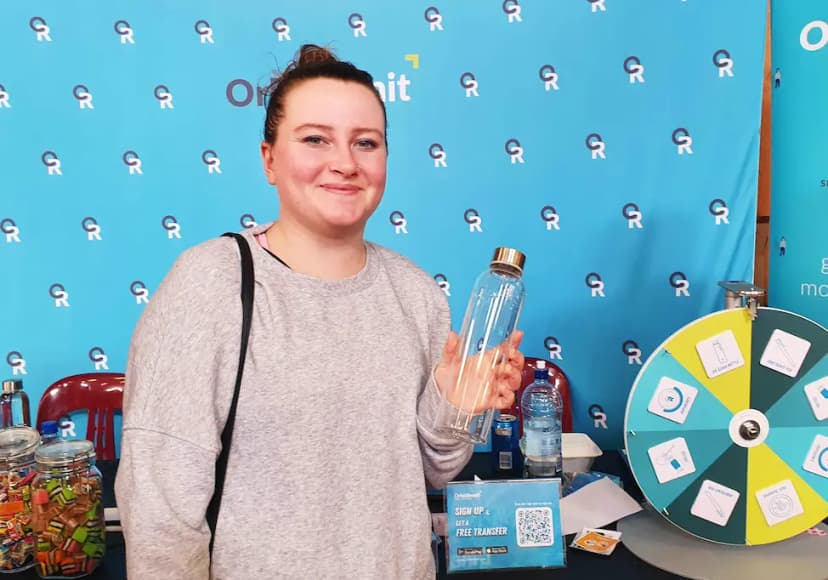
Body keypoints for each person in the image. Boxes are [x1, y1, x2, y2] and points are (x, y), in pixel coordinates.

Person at [115, 44, 525, 579]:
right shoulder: (210, 282)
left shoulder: (416, 291)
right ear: (268, 159)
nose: (345, 163)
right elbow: (159, 504)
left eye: (366, 143)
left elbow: (432, 472)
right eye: (315, 139)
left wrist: (454, 408)